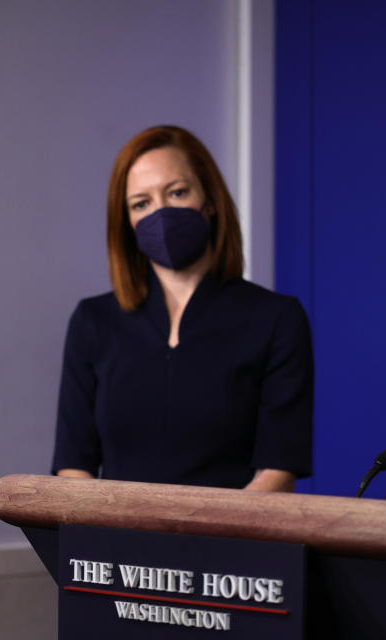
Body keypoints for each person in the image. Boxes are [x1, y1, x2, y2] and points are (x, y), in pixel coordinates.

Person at [51, 125, 313, 491]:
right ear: (127, 222)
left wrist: (216, 540)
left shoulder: (276, 319)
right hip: (114, 543)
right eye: (141, 203)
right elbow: (73, 466)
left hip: (234, 542)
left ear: (209, 200)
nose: (161, 214)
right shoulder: (92, 322)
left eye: (176, 192)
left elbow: (276, 471)